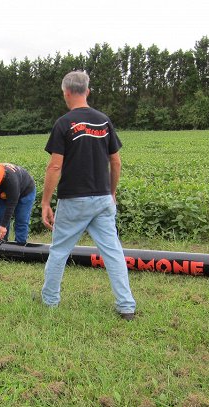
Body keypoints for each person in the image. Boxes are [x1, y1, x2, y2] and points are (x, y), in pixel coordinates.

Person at [39, 70, 137, 320]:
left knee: (60, 250)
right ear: (88, 91)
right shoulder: (103, 121)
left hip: (73, 200)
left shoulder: (64, 123)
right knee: (113, 252)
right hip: (103, 199)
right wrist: (111, 193)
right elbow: (115, 162)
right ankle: (126, 306)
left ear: (66, 92)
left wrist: (45, 202)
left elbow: (55, 166)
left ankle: (50, 300)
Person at [0, 162, 36, 245]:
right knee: (0, 220)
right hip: (2, 195)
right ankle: (1, 248)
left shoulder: (11, 179)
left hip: (25, 191)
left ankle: (20, 249)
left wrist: (3, 226)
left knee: (21, 221)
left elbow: (11, 204)